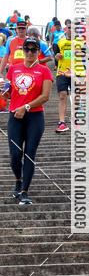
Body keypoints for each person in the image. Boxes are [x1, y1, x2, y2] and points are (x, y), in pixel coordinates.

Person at [2, 36, 53, 205]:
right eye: (27, 49)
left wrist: (26, 107)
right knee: (15, 155)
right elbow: (8, 93)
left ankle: (24, 191)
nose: (30, 53)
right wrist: (3, 93)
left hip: (35, 116)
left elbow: (45, 96)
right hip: (15, 115)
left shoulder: (44, 70)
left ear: (39, 52)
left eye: (33, 49)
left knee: (29, 154)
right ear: (22, 51)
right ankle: (18, 180)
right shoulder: (14, 69)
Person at [53, 22, 85, 133]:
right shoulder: (60, 41)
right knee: (62, 95)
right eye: (69, 28)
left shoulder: (82, 41)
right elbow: (56, 56)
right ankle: (61, 122)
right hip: (62, 71)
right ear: (66, 29)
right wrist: (57, 56)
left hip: (77, 71)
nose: (71, 30)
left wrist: (80, 53)